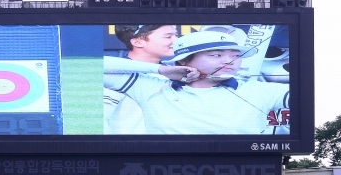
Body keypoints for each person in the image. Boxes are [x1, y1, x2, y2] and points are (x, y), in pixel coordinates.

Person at [104, 30, 289, 135]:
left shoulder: (261, 90)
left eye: (235, 56)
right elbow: (81, 66)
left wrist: (275, 135)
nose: (229, 61)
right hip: (161, 174)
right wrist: (161, 69)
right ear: (184, 60)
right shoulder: (151, 86)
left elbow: (306, 102)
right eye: (216, 55)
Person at [105, 24, 178, 134]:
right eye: (168, 37)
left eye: (176, 35)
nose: (177, 41)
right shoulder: (115, 75)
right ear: (137, 42)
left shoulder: (175, 73)